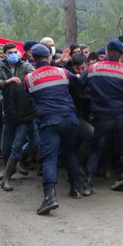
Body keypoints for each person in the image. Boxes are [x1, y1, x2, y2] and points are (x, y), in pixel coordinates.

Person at [24, 44, 84, 214]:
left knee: (49, 158)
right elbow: (78, 84)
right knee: (70, 152)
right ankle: (76, 188)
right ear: (49, 57)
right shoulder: (63, 72)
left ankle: (50, 197)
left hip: (50, 122)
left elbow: (28, 97)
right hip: (70, 119)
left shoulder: (29, 78)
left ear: (33, 58)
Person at [80, 39, 123, 195]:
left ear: (106, 52)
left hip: (102, 115)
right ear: (121, 55)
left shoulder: (93, 68)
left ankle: (88, 184)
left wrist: (92, 93)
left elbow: (80, 84)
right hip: (121, 116)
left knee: (96, 149)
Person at [0, 42, 37, 191]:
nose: (13, 55)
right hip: (9, 114)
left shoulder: (26, 66)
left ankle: (6, 178)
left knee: (17, 145)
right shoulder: (1, 70)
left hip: (25, 114)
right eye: (10, 53)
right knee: (5, 148)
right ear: (5, 55)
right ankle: (10, 169)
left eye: (15, 52)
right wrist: (6, 82)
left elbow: (34, 77)